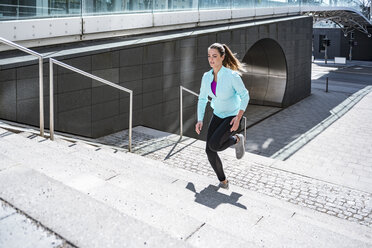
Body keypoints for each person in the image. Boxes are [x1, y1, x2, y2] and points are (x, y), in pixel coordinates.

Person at [195, 43, 249, 190]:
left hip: (232, 116)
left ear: (222, 57)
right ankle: (223, 181)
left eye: (214, 56)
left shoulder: (232, 76)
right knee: (209, 150)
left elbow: (245, 96)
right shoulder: (206, 77)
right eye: (209, 56)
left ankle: (237, 139)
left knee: (214, 145)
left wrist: (238, 118)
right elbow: (202, 99)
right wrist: (199, 119)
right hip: (217, 114)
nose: (211, 59)